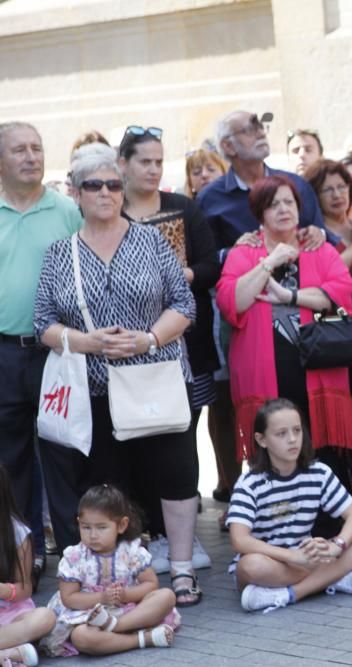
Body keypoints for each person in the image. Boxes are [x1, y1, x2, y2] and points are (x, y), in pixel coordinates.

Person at [34, 144, 201, 608]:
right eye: (95, 185)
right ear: (76, 192)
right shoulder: (59, 254)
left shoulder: (152, 240)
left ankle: (183, 571)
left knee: (175, 473)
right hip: (95, 388)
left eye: (113, 184)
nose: (106, 192)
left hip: (158, 377)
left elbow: (185, 305)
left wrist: (146, 339)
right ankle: (122, 575)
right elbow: (42, 322)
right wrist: (87, 342)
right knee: (110, 482)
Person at [118, 126, 220, 577]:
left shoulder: (183, 207)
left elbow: (210, 265)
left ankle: (181, 533)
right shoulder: (113, 210)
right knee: (137, 443)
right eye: (145, 161)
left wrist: (176, 279)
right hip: (125, 353)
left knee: (181, 439)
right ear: (124, 164)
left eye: (159, 161)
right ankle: (149, 533)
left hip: (184, 346)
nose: (154, 169)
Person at [215, 174, 352, 464]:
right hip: (264, 371)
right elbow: (232, 302)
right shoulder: (244, 253)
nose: (283, 209)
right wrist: (270, 261)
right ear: (260, 213)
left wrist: (291, 297)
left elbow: (339, 295)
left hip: (318, 365)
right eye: (273, 204)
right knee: (270, 456)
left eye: (288, 202)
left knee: (322, 455)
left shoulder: (318, 248)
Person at [0, 122, 82, 561]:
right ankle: (23, 554)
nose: (31, 156)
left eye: (37, 148)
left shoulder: (67, 211)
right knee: (10, 460)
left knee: (62, 453)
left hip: (58, 353)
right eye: (19, 150)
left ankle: (74, 555)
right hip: (4, 353)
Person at [227, 399, 352, 613]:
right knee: (250, 565)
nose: (292, 439)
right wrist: (293, 557)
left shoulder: (318, 472)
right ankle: (331, 578)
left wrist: (337, 546)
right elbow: (239, 539)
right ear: (261, 440)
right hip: (274, 562)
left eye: (297, 430)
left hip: (307, 557)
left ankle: (289, 594)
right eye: (281, 434)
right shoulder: (250, 483)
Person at [40, 485, 180, 657]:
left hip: (128, 611)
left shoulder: (131, 551)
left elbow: (151, 584)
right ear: (79, 523)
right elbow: (68, 598)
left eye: (101, 527)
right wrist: (102, 598)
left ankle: (116, 627)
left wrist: (125, 595)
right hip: (88, 614)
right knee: (81, 637)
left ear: (121, 525)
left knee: (166, 596)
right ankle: (143, 639)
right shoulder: (74, 556)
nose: (92, 535)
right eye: (86, 527)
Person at [196, 110, 325, 250]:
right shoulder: (209, 198)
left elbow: (320, 231)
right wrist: (237, 252)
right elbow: (206, 260)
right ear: (228, 146)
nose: (261, 134)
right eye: (250, 130)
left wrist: (319, 234)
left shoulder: (296, 185)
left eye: (261, 127)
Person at [0, 465, 56, 667]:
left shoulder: (16, 531)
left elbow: (24, 589)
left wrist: (4, 590)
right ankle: (12, 653)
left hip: (10, 613)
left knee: (45, 618)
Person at [305, 159, 352, 270]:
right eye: (327, 190)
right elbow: (331, 272)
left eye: (341, 187)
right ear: (315, 196)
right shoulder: (316, 235)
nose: (337, 195)